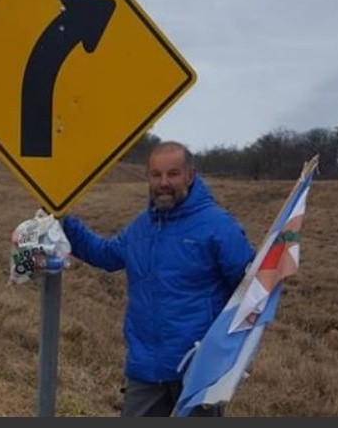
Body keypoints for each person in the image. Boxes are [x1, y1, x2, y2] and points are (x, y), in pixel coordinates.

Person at [61, 141, 255, 417]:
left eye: (173, 174)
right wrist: (64, 223)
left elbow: (251, 289)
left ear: (190, 175)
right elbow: (105, 255)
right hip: (145, 370)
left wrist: (231, 353)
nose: (163, 182)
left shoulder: (219, 226)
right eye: (156, 174)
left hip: (197, 373)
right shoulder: (141, 227)